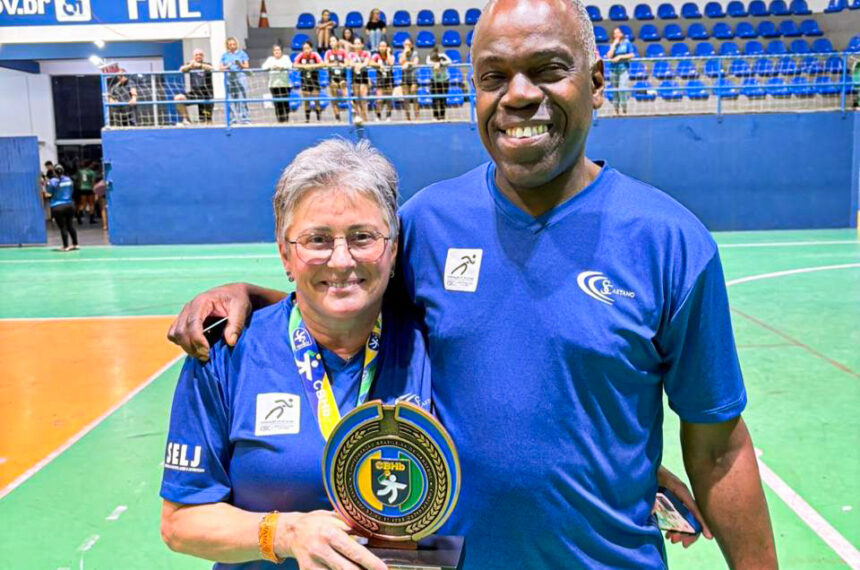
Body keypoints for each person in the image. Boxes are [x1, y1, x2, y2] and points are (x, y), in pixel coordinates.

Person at [168, 1, 778, 568]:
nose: (518, 95)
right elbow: (347, 298)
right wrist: (248, 298)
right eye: (493, 76)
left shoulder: (670, 242)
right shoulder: (430, 224)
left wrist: (617, 469)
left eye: (547, 69)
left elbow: (719, 446)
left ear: (596, 80)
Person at [160, 139, 429, 570]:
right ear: (286, 254)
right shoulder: (226, 354)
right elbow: (181, 522)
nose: (341, 260)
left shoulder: (432, 343)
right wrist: (284, 534)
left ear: (393, 248)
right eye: (317, 240)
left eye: (363, 237)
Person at [43, 165, 79, 252]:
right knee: (70, 225)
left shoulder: (52, 181)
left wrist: (46, 184)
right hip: (69, 205)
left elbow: (49, 192)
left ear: (54, 172)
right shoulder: (69, 180)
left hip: (58, 206)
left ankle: (66, 246)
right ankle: (75, 244)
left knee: (63, 227)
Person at [174, 49, 215, 125]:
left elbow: (212, 68)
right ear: (193, 57)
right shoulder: (190, 65)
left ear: (203, 56)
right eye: (196, 55)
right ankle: (187, 120)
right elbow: (181, 69)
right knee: (178, 98)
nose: (198, 56)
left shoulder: (207, 64)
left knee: (206, 122)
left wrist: (200, 65)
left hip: (206, 95)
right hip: (195, 93)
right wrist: (190, 66)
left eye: (200, 54)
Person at [220, 37, 250, 124]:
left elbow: (246, 66)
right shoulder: (224, 55)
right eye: (230, 44)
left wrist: (240, 64)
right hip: (229, 76)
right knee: (230, 99)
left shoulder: (242, 54)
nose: (232, 46)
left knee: (242, 97)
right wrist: (227, 66)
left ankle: (245, 119)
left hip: (240, 76)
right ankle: (232, 119)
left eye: (234, 44)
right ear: (227, 46)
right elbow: (220, 68)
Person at [606, 27, 635, 115]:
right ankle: (617, 111)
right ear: (613, 36)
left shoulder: (626, 43)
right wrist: (614, 45)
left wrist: (620, 57)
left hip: (623, 69)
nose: (617, 34)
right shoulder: (612, 44)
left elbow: (631, 55)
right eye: (615, 33)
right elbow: (609, 56)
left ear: (622, 34)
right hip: (613, 70)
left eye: (619, 32)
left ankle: (624, 109)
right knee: (615, 91)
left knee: (622, 89)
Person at [293, 41, 324, 123]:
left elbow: (322, 64)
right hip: (304, 80)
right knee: (306, 101)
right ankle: (307, 119)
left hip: (314, 80)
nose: (306, 50)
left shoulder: (315, 55)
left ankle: (318, 119)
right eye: (304, 49)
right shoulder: (301, 56)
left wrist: (311, 66)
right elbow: (294, 64)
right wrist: (304, 66)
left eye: (308, 48)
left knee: (316, 99)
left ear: (311, 48)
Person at [261, 44, 292, 123]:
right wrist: (272, 67)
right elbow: (264, 67)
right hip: (274, 85)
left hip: (285, 85)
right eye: (275, 50)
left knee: (285, 103)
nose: (277, 52)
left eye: (278, 50)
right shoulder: (270, 59)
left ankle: (286, 119)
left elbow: (289, 65)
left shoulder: (286, 58)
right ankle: (280, 121)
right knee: (277, 104)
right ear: (273, 52)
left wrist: (281, 67)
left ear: (281, 51)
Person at [324, 36, 348, 122]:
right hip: (332, 77)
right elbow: (326, 63)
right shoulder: (328, 53)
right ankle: (338, 117)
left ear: (337, 42)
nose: (332, 43)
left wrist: (342, 65)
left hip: (342, 76)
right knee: (334, 95)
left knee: (343, 86)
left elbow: (346, 63)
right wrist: (334, 64)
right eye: (330, 41)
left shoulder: (343, 52)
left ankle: (352, 112)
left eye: (333, 40)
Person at [349, 37, 372, 125]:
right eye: (355, 43)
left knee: (363, 99)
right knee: (357, 99)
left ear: (362, 45)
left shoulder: (366, 53)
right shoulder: (351, 54)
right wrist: (356, 65)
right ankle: (358, 118)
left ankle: (365, 119)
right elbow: (350, 63)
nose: (357, 45)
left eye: (359, 43)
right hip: (354, 78)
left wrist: (359, 66)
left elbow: (366, 62)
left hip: (363, 77)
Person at [370, 40, 395, 121]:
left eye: (384, 46)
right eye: (380, 46)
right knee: (379, 100)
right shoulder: (376, 55)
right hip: (380, 80)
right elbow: (370, 63)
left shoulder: (391, 56)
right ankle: (378, 116)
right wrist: (379, 65)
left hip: (389, 79)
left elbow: (391, 63)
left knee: (388, 100)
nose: (382, 48)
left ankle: (388, 116)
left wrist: (388, 53)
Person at [426, 46, 451, 120]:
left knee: (443, 99)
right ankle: (435, 115)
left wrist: (440, 63)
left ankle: (442, 115)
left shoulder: (443, 56)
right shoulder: (429, 57)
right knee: (434, 99)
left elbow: (450, 61)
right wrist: (434, 64)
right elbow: (427, 62)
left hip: (444, 81)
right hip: (434, 81)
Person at [397, 38, 420, 120]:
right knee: (406, 99)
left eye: (409, 45)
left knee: (414, 97)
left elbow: (416, 63)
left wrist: (408, 63)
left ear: (412, 45)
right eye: (405, 45)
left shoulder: (415, 53)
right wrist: (404, 53)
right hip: (405, 78)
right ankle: (408, 118)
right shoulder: (400, 54)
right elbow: (401, 62)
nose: (407, 46)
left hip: (413, 77)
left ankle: (417, 117)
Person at [75, 160, 97, 224]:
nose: (93, 165)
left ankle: (79, 217)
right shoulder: (92, 172)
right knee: (91, 204)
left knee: (82, 204)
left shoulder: (80, 172)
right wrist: (94, 189)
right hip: (89, 189)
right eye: (92, 164)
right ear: (89, 165)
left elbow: (77, 180)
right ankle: (91, 219)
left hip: (82, 188)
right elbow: (93, 182)